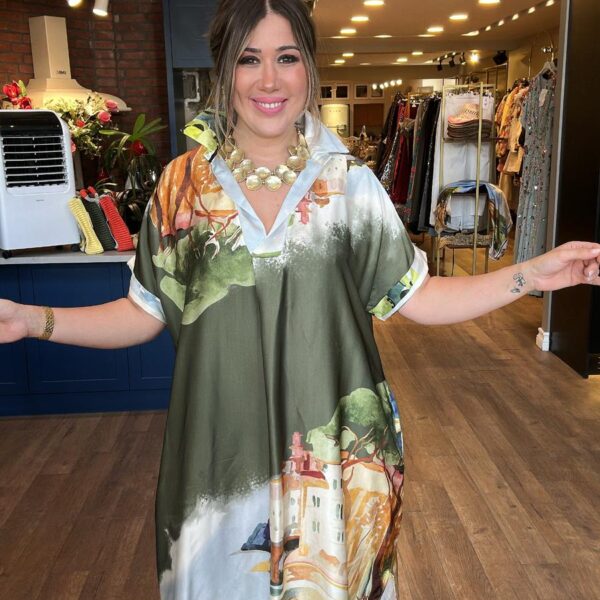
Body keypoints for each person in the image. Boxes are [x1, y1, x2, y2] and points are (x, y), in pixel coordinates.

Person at [1, 0, 599, 598]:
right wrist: (31, 319)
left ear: (309, 67)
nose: (269, 80)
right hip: (215, 467)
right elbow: (142, 312)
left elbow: (418, 297)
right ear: (224, 70)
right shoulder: (181, 187)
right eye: (249, 59)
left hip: (332, 467)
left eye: (286, 57)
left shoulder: (350, 184)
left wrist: (530, 276)